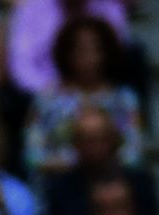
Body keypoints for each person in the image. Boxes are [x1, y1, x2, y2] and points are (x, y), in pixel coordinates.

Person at [38, 102, 159, 215]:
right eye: (86, 140)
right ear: (75, 144)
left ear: (113, 141)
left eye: (99, 139)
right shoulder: (59, 190)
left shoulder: (140, 185)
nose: (93, 147)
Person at [23, 15, 141, 177]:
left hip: (111, 183)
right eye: (81, 50)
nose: (88, 58)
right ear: (67, 53)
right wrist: (75, 165)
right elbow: (32, 156)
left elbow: (133, 154)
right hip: (59, 183)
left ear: (106, 53)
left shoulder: (124, 100)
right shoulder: (47, 99)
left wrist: (99, 163)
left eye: (95, 49)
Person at [8, 0, 129, 101]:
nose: (86, 57)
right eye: (80, 51)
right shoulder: (32, 8)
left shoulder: (110, 7)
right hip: (45, 93)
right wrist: (53, 91)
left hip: (103, 89)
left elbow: (118, 54)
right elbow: (21, 66)